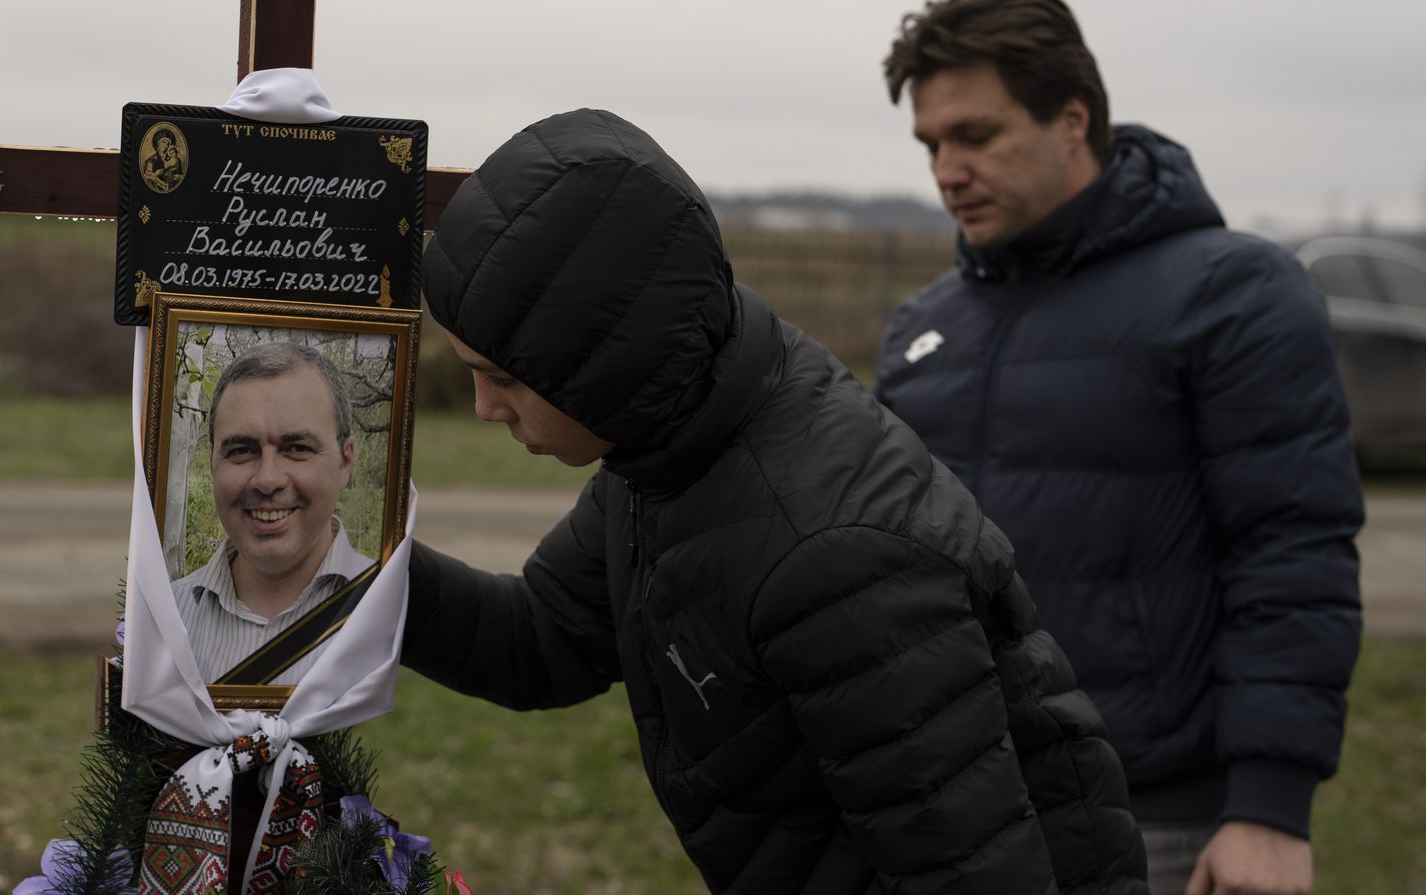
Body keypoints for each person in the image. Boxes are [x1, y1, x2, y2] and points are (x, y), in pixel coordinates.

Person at [402, 108, 1146, 893]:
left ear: (599, 362)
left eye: (505, 378)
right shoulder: (668, 432)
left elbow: (966, 873)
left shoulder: (838, 556)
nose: (485, 407)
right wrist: (339, 567)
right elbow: (542, 637)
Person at [873, 3, 1364, 893]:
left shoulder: (1233, 294)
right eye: (930, 145)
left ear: (1073, 118)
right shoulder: (923, 328)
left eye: (976, 135)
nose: (949, 171)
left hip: (1157, 816)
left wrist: (1268, 807)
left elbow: (1293, 554)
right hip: (954, 810)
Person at [123, 340, 374, 685]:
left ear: (346, 461)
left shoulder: (392, 606)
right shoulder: (160, 622)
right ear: (212, 461)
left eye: (297, 448)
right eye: (241, 450)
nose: (267, 479)